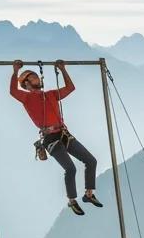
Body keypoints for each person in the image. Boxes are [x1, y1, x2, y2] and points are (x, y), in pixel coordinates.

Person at [9, 60, 102, 215]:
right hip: (50, 139)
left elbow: (71, 88)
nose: (37, 78)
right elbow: (13, 91)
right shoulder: (26, 98)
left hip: (63, 134)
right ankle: (72, 201)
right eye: (32, 77)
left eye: (36, 76)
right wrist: (15, 71)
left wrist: (63, 70)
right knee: (70, 169)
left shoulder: (50, 94)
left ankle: (89, 194)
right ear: (26, 84)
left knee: (91, 161)